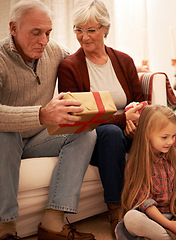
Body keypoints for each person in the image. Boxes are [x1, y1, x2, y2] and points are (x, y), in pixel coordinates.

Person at [0, 0, 97, 239]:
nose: (43, 40)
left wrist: (128, 74)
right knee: (6, 133)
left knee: (85, 130)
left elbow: (85, 62)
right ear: (13, 28)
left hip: (35, 139)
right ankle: (6, 226)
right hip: (5, 139)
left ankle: (53, 221)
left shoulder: (52, 50)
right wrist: (41, 114)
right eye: (36, 33)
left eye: (48, 32)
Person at [57, 0, 144, 235]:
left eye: (91, 30)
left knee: (156, 131)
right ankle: (116, 210)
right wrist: (122, 120)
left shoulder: (123, 60)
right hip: (92, 139)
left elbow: (139, 100)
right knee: (110, 133)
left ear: (105, 28)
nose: (84, 37)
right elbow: (79, 117)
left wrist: (134, 121)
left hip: (127, 129)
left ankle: (162, 201)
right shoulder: (69, 67)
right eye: (78, 29)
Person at [115, 105, 176, 240]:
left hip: (174, 213)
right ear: (147, 134)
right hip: (151, 217)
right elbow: (145, 203)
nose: (170, 142)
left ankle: (171, 234)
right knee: (131, 219)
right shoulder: (136, 163)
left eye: (173, 136)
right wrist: (168, 224)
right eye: (164, 137)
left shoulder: (175, 158)